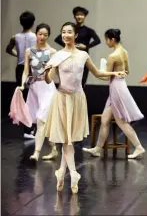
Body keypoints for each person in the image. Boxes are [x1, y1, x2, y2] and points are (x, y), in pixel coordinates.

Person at [44, 22, 126, 194]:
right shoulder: (57, 55)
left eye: (69, 32)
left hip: (78, 98)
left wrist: (114, 73)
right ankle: (73, 173)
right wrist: (46, 71)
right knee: (67, 139)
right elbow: (48, 80)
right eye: (63, 32)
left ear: (76, 36)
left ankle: (61, 172)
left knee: (70, 139)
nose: (66, 35)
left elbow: (97, 73)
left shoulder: (83, 55)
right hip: (62, 98)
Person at [82, 29, 146, 159]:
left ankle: (139, 147)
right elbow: (127, 71)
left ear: (111, 39)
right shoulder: (124, 52)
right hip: (120, 84)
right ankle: (98, 149)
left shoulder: (113, 56)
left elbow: (106, 77)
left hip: (116, 87)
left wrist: (100, 71)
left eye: (106, 40)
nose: (106, 43)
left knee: (120, 121)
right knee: (105, 119)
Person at [17, 23, 59, 161]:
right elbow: (26, 71)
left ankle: (36, 152)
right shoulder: (29, 51)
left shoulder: (52, 52)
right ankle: (53, 149)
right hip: (34, 88)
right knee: (41, 121)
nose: (42, 37)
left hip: (47, 88)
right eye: (40, 34)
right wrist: (22, 85)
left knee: (41, 120)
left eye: (45, 35)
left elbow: (53, 75)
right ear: (36, 34)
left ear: (48, 36)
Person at [6, 11, 37, 139]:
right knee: (33, 97)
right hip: (32, 68)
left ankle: (27, 128)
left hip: (20, 68)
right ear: (33, 23)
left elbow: (8, 49)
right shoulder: (36, 37)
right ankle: (31, 128)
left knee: (23, 97)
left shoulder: (15, 37)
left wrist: (19, 55)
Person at [54, 6, 101, 88]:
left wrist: (86, 46)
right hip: (70, 56)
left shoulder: (88, 30)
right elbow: (58, 39)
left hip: (83, 58)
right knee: (69, 80)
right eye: (77, 15)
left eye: (81, 15)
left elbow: (97, 40)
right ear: (74, 16)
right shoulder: (72, 29)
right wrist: (70, 45)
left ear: (85, 16)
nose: (79, 17)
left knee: (82, 82)